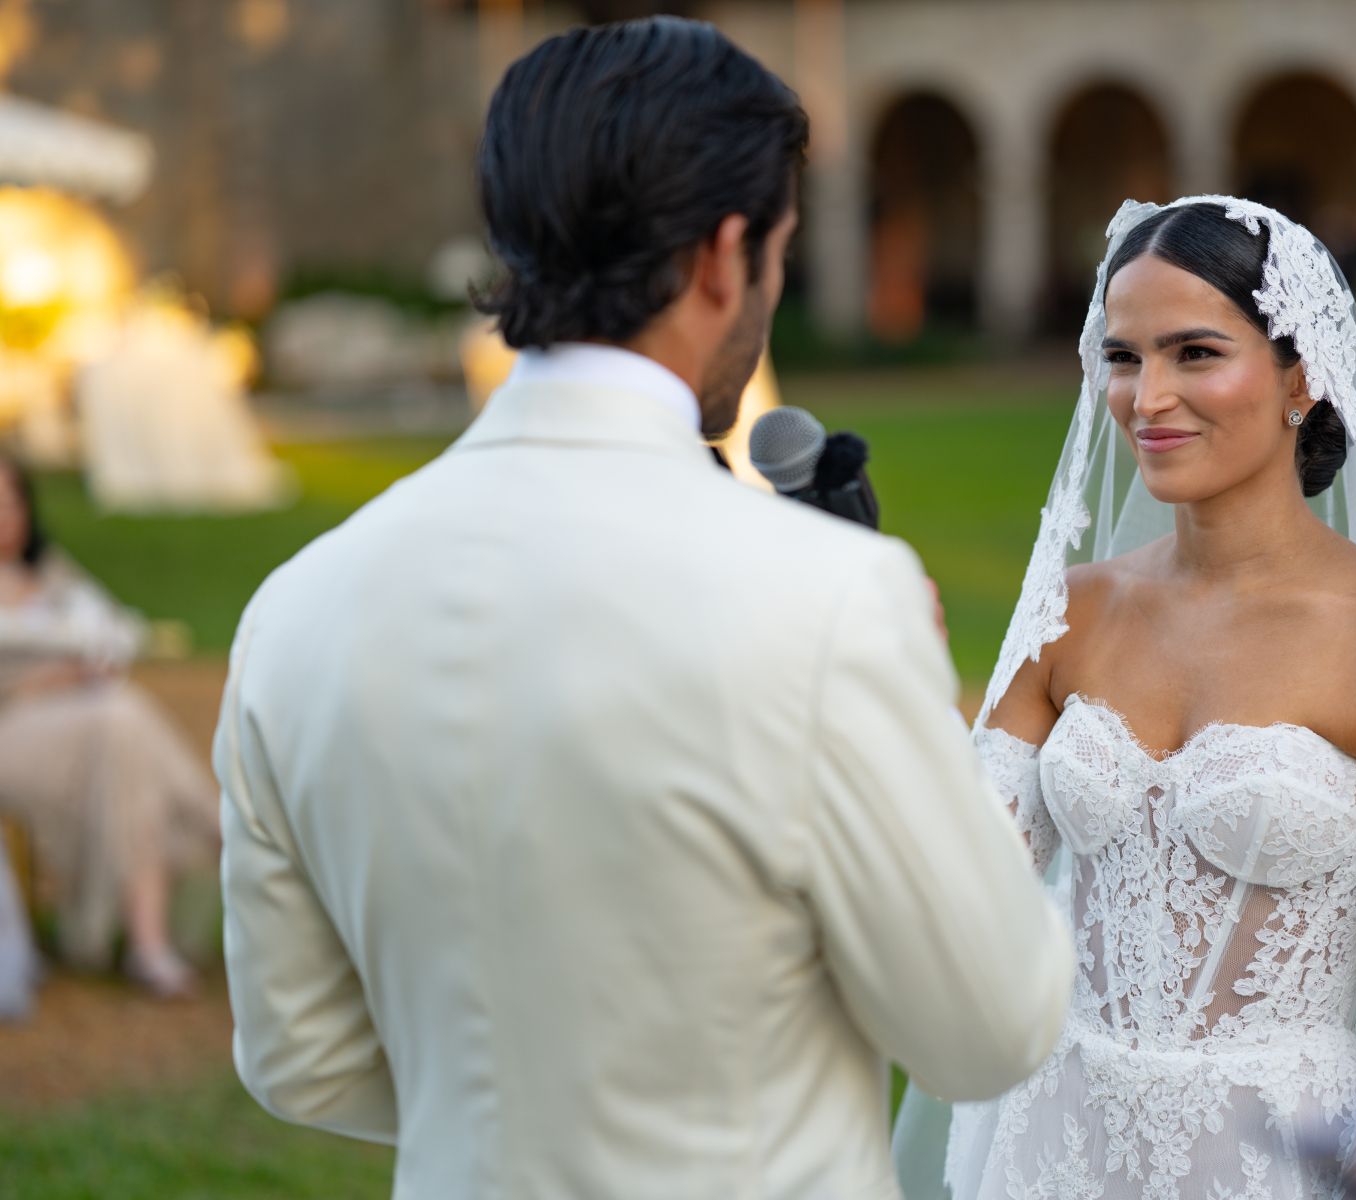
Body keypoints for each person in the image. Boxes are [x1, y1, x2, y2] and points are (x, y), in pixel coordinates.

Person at [215, 18, 1072, 1200]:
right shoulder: (828, 599)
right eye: (778, 251)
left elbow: (294, 1057)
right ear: (727, 256)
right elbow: (993, 1025)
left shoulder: (294, 609)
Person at [892, 198, 1356, 1199]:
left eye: (1194, 354)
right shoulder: (1066, 617)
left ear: (1300, 378)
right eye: (1124, 357)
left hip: (1277, 1168)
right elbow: (956, 885)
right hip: (1056, 1148)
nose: (1147, 397)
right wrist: (894, 679)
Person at [0, 456, 216, 998]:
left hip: (81, 728)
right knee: (122, 722)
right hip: (12, 732)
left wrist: (91, 669)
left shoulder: (50, 575)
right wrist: (39, 684)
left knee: (123, 732)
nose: (4, 515)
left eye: (11, 501)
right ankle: (217, 829)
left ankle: (143, 941)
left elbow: (118, 631)